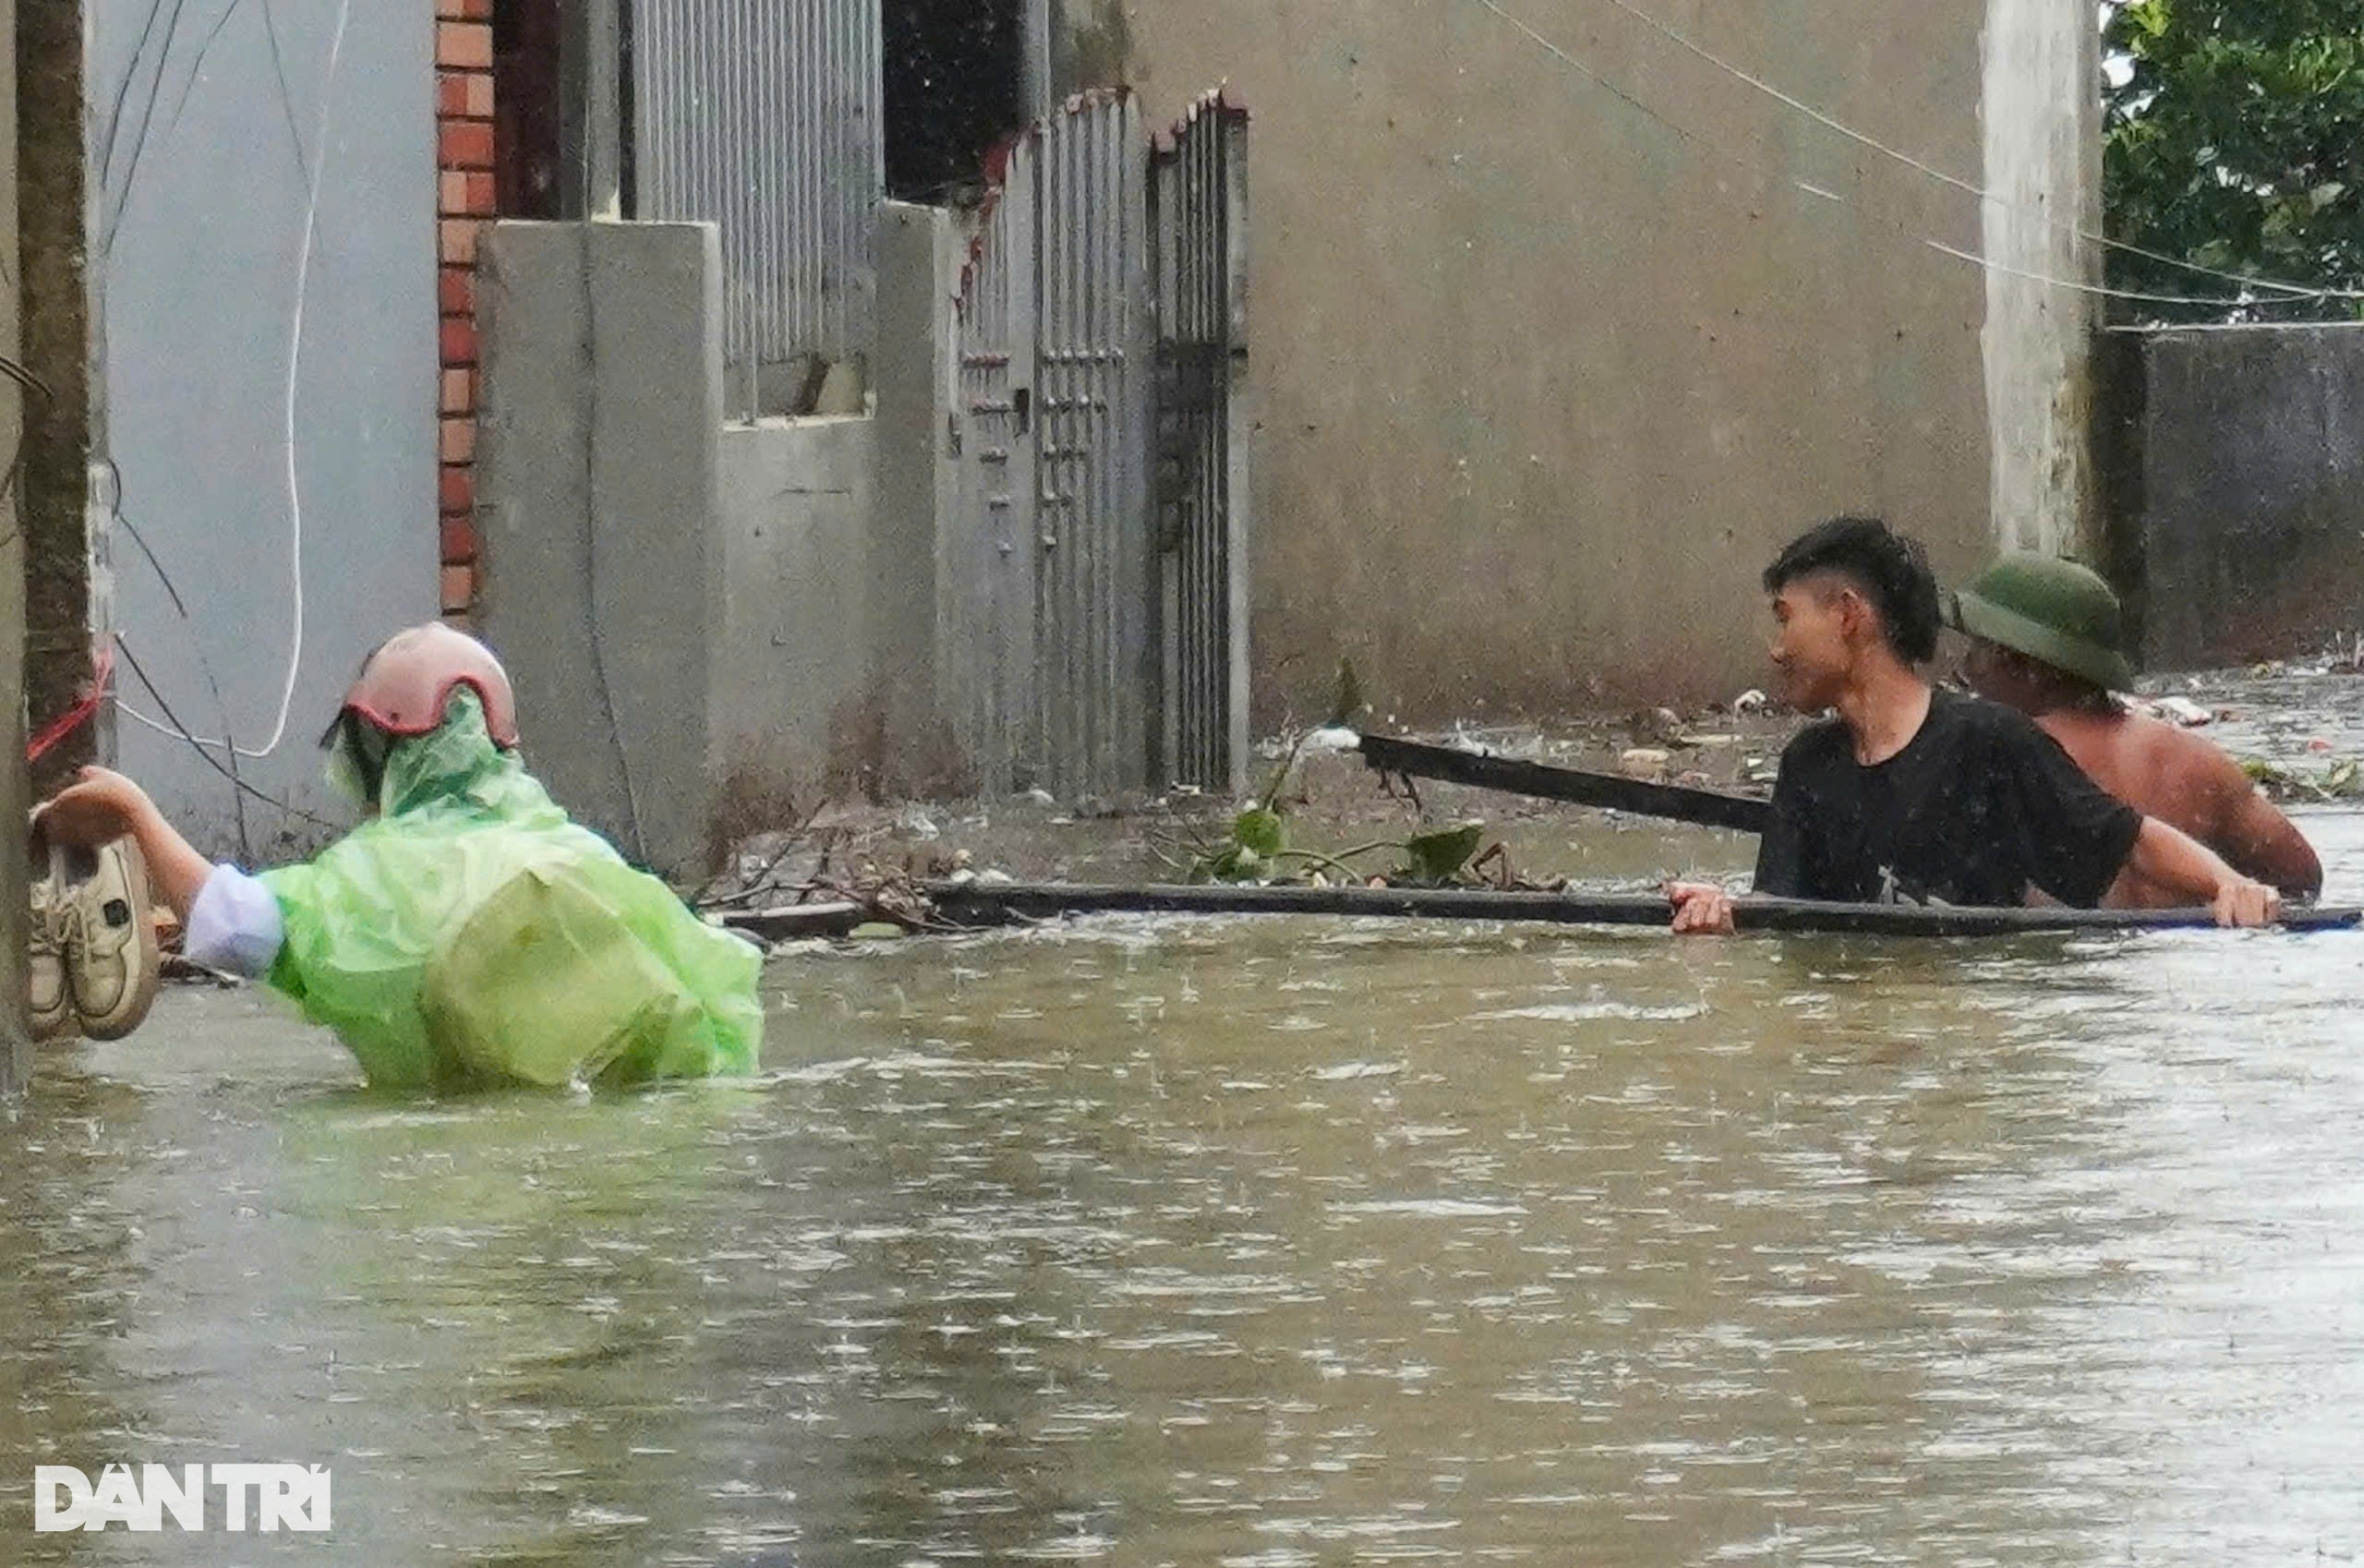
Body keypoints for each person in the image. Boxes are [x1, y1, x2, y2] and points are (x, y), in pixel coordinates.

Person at [35, 623, 765, 1090]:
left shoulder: (371, 885)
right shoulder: (591, 863)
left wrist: (132, 812)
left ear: (373, 746)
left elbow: (234, 928)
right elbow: (718, 1014)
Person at [1666, 518, 2285, 935]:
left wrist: (2231, 886)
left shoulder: (1990, 741)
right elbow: (1783, 914)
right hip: (1857, 1044)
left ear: (1848, 615)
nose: (1776, 650)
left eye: (1785, 618)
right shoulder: (1809, 764)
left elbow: (2129, 840)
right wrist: (1724, 915)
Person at [1953, 551, 2322, 907]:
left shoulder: (1999, 759)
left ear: (2027, 667)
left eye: (1979, 650)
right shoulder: (2198, 763)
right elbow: (2301, 878)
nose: (1966, 667)